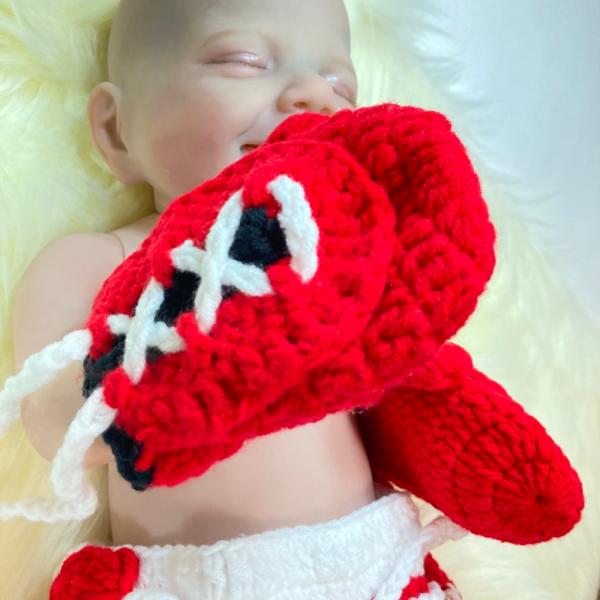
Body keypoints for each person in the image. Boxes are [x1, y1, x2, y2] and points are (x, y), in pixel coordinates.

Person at [8, 0, 461, 597]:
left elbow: (402, 385)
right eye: (243, 61)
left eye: (339, 86)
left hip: (376, 565)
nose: (314, 95)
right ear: (118, 131)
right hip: (191, 581)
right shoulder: (104, 258)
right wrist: (198, 367)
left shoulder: (343, 263)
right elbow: (55, 423)